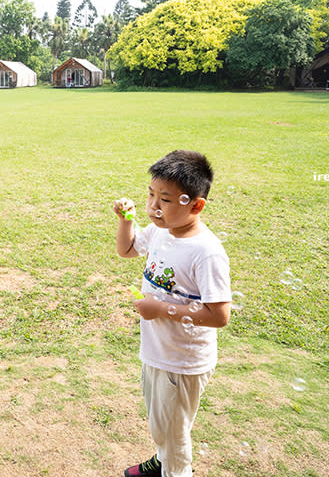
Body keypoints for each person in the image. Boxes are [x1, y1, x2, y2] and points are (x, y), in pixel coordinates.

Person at [114, 150, 231, 477]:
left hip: (181, 362)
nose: (153, 206)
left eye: (164, 199)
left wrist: (160, 308)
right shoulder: (160, 231)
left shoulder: (206, 252)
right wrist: (127, 221)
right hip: (159, 351)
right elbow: (126, 250)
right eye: (150, 194)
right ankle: (161, 461)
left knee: (173, 434)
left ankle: (172, 468)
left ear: (195, 205)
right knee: (162, 422)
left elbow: (219, 315)